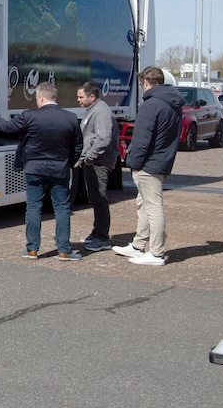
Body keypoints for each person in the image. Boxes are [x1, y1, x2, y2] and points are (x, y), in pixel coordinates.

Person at [0, 81, 84, 260]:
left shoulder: (29, 116)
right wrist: (69, 163)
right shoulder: (71, 118)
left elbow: (6, 128)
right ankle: (64, 250)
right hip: (59, 169)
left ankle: (32, 249)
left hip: (34, 168)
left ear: (40, 98)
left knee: (33, 208)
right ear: (55, 97)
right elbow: (77, 147)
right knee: (62, 209)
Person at [113, 66, 183, 266]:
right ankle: (138, 245)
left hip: (148, 164)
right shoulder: (173, 104)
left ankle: (157, 253)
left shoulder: (150, 105)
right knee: (144, 205)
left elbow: (142, 138)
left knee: (152, 207)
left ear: (145, 82)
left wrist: (132, 163)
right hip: (161, 161)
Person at [75, 81, 120, 251]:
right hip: (93, 161)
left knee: (99, 198)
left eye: (81, 97)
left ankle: (102, 238)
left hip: (99, 162)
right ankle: (96, 232)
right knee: (94, 197)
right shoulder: (94, 110)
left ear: (91, 97)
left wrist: (90, 157)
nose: (78, 100)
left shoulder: (101, 112)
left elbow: (103, 138)